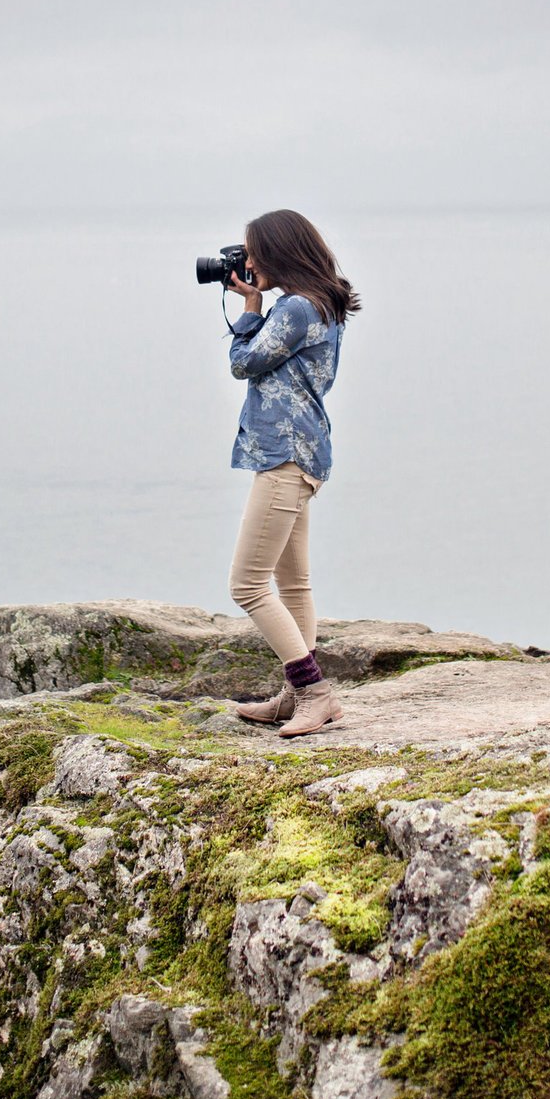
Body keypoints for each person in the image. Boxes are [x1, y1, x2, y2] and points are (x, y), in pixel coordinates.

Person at [216, 209, 361, 737]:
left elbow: (244, 363)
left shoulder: (295, 309)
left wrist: (251, 308)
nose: (248, 262)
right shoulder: (321, 302)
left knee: (247, 585)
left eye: (254, 252)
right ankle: (292, 695)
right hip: (303, 453)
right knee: (293, 583)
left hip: (285, 455)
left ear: (279, 252)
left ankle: (315, 692)